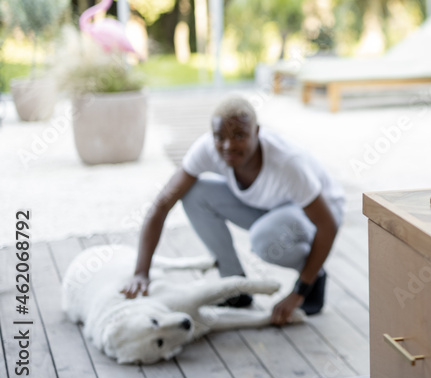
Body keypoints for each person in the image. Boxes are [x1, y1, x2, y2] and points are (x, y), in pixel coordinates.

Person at [122, 94, 346, 325]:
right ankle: (235, 289)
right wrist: (141, 272)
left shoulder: (287, 162)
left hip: (319, 212)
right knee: (194, 193)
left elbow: (327, 225)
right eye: (220, 137)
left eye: (239, 135)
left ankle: (313, 277)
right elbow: (162, 204)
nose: (228, 146)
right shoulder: (207, 149)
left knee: (265, 240)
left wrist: (299, 291)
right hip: (270, 206)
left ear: (257, 132)